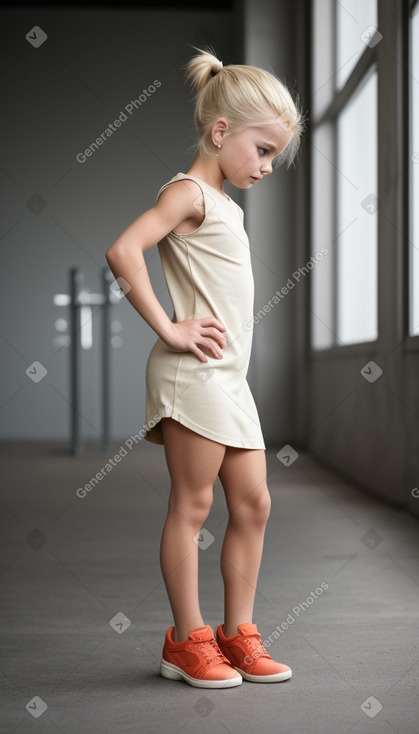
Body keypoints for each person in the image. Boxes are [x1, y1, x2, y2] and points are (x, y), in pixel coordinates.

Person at [105, 46, 305, 689]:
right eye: (263, 150)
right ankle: (186, 641)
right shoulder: (188, 192)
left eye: (275, 155)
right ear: (222, 132)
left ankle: (236, 634)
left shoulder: (225, 204)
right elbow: (123, 249)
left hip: (228, 381)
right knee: (192, 507)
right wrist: (168, 326)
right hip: (192, 377)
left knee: (254, 504)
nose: (268, 166)